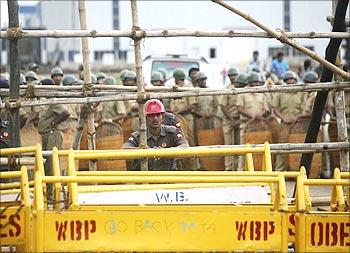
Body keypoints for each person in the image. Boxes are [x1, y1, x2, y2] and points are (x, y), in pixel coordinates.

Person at [122, 99, 189, 171]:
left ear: (163, 117)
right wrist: (143, 151)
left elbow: (185, 146)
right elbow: (124, 150)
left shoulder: (172, 132)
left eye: (158, 115)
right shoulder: (138, 136)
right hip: (144, 179)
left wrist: (166, 151)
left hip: (167, 178)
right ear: (145, 118)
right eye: (151, 115)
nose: (155, 118)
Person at [272, 70, 304, 171]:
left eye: (292, 79)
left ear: (296, 81)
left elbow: (304, 107)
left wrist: (298, 116)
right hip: (285, 124)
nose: (290, 81)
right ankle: (280, 171)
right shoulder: (280, 93)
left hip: (298, 124)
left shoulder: (301, 92)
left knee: (298, 147)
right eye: (288, 80)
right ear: (285, 81)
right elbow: (274, 108)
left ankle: (297, 171)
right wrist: (283, 117)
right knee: (282, 146)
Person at [237, 71, 270, 170]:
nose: (256, 84)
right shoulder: (243, 93)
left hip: (260, 125)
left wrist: (260, 115)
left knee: (259, 148)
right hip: (246, 124)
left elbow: (266, 109)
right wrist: (251, 116)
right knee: (244, 148)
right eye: (254, 82)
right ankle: (241, 171)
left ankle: (258, 170)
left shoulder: (261, 94)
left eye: (257, 82)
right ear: (249, 82)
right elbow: (239, 108)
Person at [220, 73, 248, 171]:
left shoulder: (245, 91)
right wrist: (231, 119)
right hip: (229, 120)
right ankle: (229, 168)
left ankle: (238, 168)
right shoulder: (228, 90)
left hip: (240, 120)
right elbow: (223, 106)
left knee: (240, 145)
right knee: (229, 144)